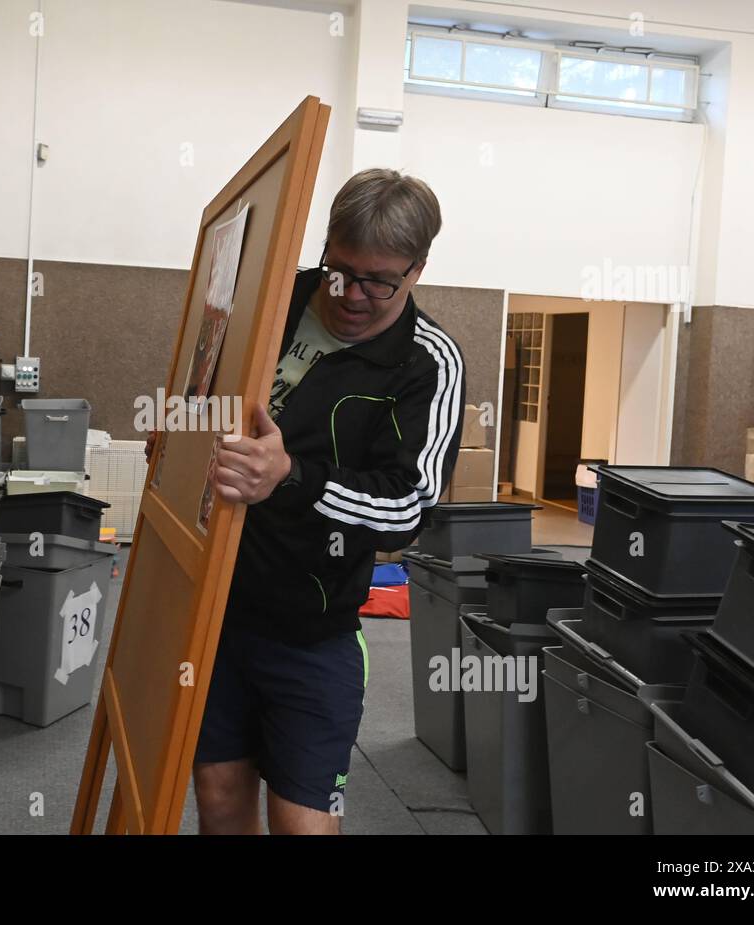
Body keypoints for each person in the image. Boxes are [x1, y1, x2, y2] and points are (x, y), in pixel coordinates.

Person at [146, 168, 466, 835]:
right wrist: (176, 435)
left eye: (378, 280)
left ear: (418, 268)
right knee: (220, 794)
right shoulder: (273, 299)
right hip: (216, 604)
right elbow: (204, 386)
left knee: (301, 819)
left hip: (311, 629)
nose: (351, 293)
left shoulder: (428, 362)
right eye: (339, 269)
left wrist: (293, 476)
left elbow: (408, 509)